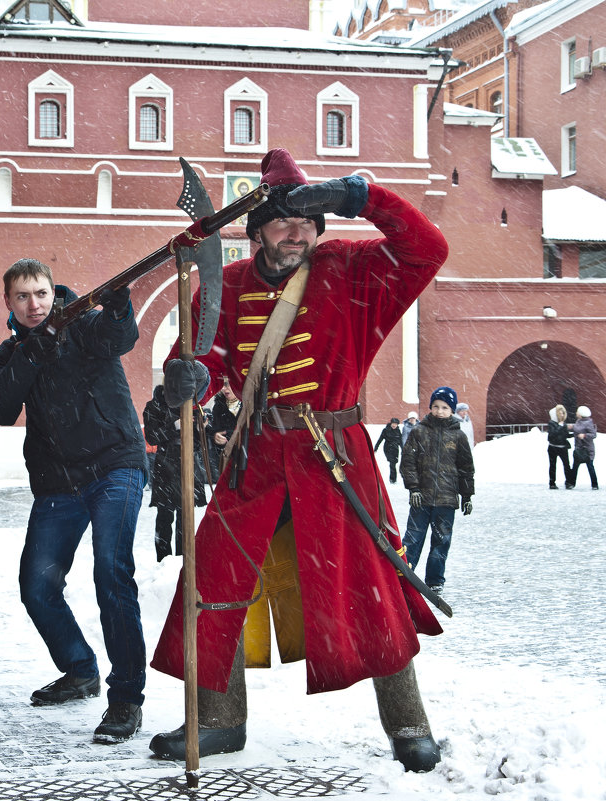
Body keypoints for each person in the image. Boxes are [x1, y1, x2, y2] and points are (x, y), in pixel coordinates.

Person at [148, 147, 448, 773]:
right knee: (213, 580)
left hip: (332, 457)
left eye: (308, 222)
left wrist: (361, 196)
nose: (298, 232)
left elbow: (428, 248)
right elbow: (205, 358)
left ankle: (410, 724)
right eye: (284, 221)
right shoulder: (224, 285)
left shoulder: (352, 269)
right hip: (256, 455)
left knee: (373, 585)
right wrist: (189, 381)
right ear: (256, 231)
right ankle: (221, 720)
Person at [0, 258, 148, 744]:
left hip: (115, 465)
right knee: (36, 587)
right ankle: (80, 668)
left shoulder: (86, 324)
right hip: (59, 483)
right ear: (9, 303)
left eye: (41, 294)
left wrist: (119, 309)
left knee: (111, 571)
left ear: (55, 293)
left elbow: (119, 338)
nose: (34, 305)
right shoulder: (14, 351)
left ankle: (126, 698)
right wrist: (33, 353)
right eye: (23, 297)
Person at [399, 386, 475, 597]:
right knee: (412, 539)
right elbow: (408, 463)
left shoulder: (458, 437)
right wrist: (413, 488)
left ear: (452, 410)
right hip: (420, 499)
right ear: (430, 407)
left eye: (444, 407)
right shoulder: (419, 432)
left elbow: (466, 468)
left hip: (446, 500)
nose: (439, 411)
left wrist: (467, 496)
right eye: (435, 406)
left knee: (441, 542)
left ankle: (434, 581)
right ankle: (405, 574)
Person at [143, 385, 208, 561]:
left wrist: (202, 426)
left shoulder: (191, 404)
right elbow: (152, 437)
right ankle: (163, 560)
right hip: (165, 467)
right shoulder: (154, 405)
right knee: (164, 516)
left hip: (188, 464)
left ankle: (184, 559)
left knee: (186, 517)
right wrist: (174, 426)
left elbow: (199, 442)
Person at [207, 377, 240, 475]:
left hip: (246, 457)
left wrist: (230, 436)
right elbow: (215, 429)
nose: (224, 389)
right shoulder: (219, 405)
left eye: (227, 384)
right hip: (226, 459)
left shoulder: (249, 404)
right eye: (222, 385)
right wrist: (215, 436)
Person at [570, 405, 598, 489]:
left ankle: (594, 484)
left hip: (587, 449)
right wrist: (572, 427)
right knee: (575, 467)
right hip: (579, 449)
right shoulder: (578, 421)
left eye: (577, 411)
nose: (576, 413)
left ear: (581, 414)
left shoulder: (589, 422)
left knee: (590, 467)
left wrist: (584, 436)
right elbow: (577, 429)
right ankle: (571, 483)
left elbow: (593, 435)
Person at [547, 403, 573, 490]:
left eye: (563, 413)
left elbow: (565, 435)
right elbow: (551, 435)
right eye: (560, 413)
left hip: (562, 447)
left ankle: (568, 482)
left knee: (567, 465)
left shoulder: (563, 423)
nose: (562, 415)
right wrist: (560, 426)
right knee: (553, 465)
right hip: (553, 447)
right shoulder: (551, 423)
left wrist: (573, 434)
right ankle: (552, 483)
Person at [374, 417, 403, 484]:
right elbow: (380, 439)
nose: (394, 425)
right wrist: (375, 448)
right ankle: (393, 479)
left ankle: (393, 479)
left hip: (395, 448)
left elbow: (400, 441)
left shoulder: (398, 431)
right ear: (391, 423)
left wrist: (403, 450)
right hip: (388, 448)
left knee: (393, 463)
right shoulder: (386, 430)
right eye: (393, 423)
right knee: (392, 462)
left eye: (395, 424)